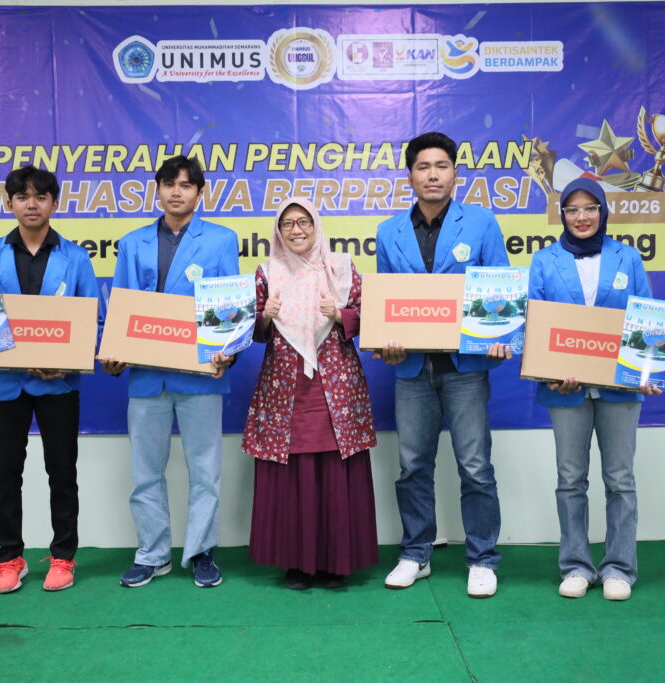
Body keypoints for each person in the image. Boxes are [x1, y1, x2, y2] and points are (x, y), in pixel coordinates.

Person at [0, 165, 102, 593]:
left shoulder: (75, 257)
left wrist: (68, 364)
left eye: (40, 197)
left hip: (58, 385)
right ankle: (9, 559)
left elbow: (93, 322)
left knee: (62, 472)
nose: (32, 204)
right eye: (23, 197)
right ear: (9, 204)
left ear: (54, 204)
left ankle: (63, 556)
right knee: (5, 474)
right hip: (3, 385)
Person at [375, 132, 512, 599]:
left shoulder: (481, 223)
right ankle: (416, 553)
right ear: (410, 175)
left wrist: (499, 336)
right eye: (423, 167)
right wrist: (387, 343)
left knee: (475, 466)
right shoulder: (389, 231)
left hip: (465, 368)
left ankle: (482, 558)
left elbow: (500, 287)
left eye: (441, 166)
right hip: (412, 370)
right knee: (413, 465)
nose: (432, 175)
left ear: (455, 173)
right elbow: (387, 302)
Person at [101, 155, 238, 589]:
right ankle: (152, 554)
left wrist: (228, 352)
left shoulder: (221, 240)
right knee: (145, 471)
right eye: (169, 184)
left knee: (205, 472)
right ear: (157, 190)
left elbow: (229, 308)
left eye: (186, 185)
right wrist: (114, 351)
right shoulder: (133, 242)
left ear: (200, 192)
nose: (177, 192)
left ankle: (201, 552)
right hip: (146, 376)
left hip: (200, 375)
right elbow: (121, 307)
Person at [528, 177, 661, 601]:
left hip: (620, 389)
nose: (581, 217)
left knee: (620, 479)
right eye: (572, 210)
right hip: (564, 388)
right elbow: (535, 324)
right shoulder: (544, 260)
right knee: (570, 479)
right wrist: (547, 372)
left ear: (603, 212)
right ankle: (576, 566)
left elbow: (647, 319)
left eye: (590, 208)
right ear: (562, 215)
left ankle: (619, 568)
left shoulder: (628, 258)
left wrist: (649, 370)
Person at [242, 197, 379, 590]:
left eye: (303, 222)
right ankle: (297, 563)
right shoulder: (267, 273)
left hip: (336, 386)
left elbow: (370, 314)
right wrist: (264, 318)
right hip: (284, 388)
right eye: (287, 224)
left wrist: (341, 314)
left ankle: (337, 563)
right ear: (278, 232)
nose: (296, 230)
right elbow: (248, 329)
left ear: (316, 226)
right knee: (292, 476)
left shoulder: (341, 268)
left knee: (336, 471)